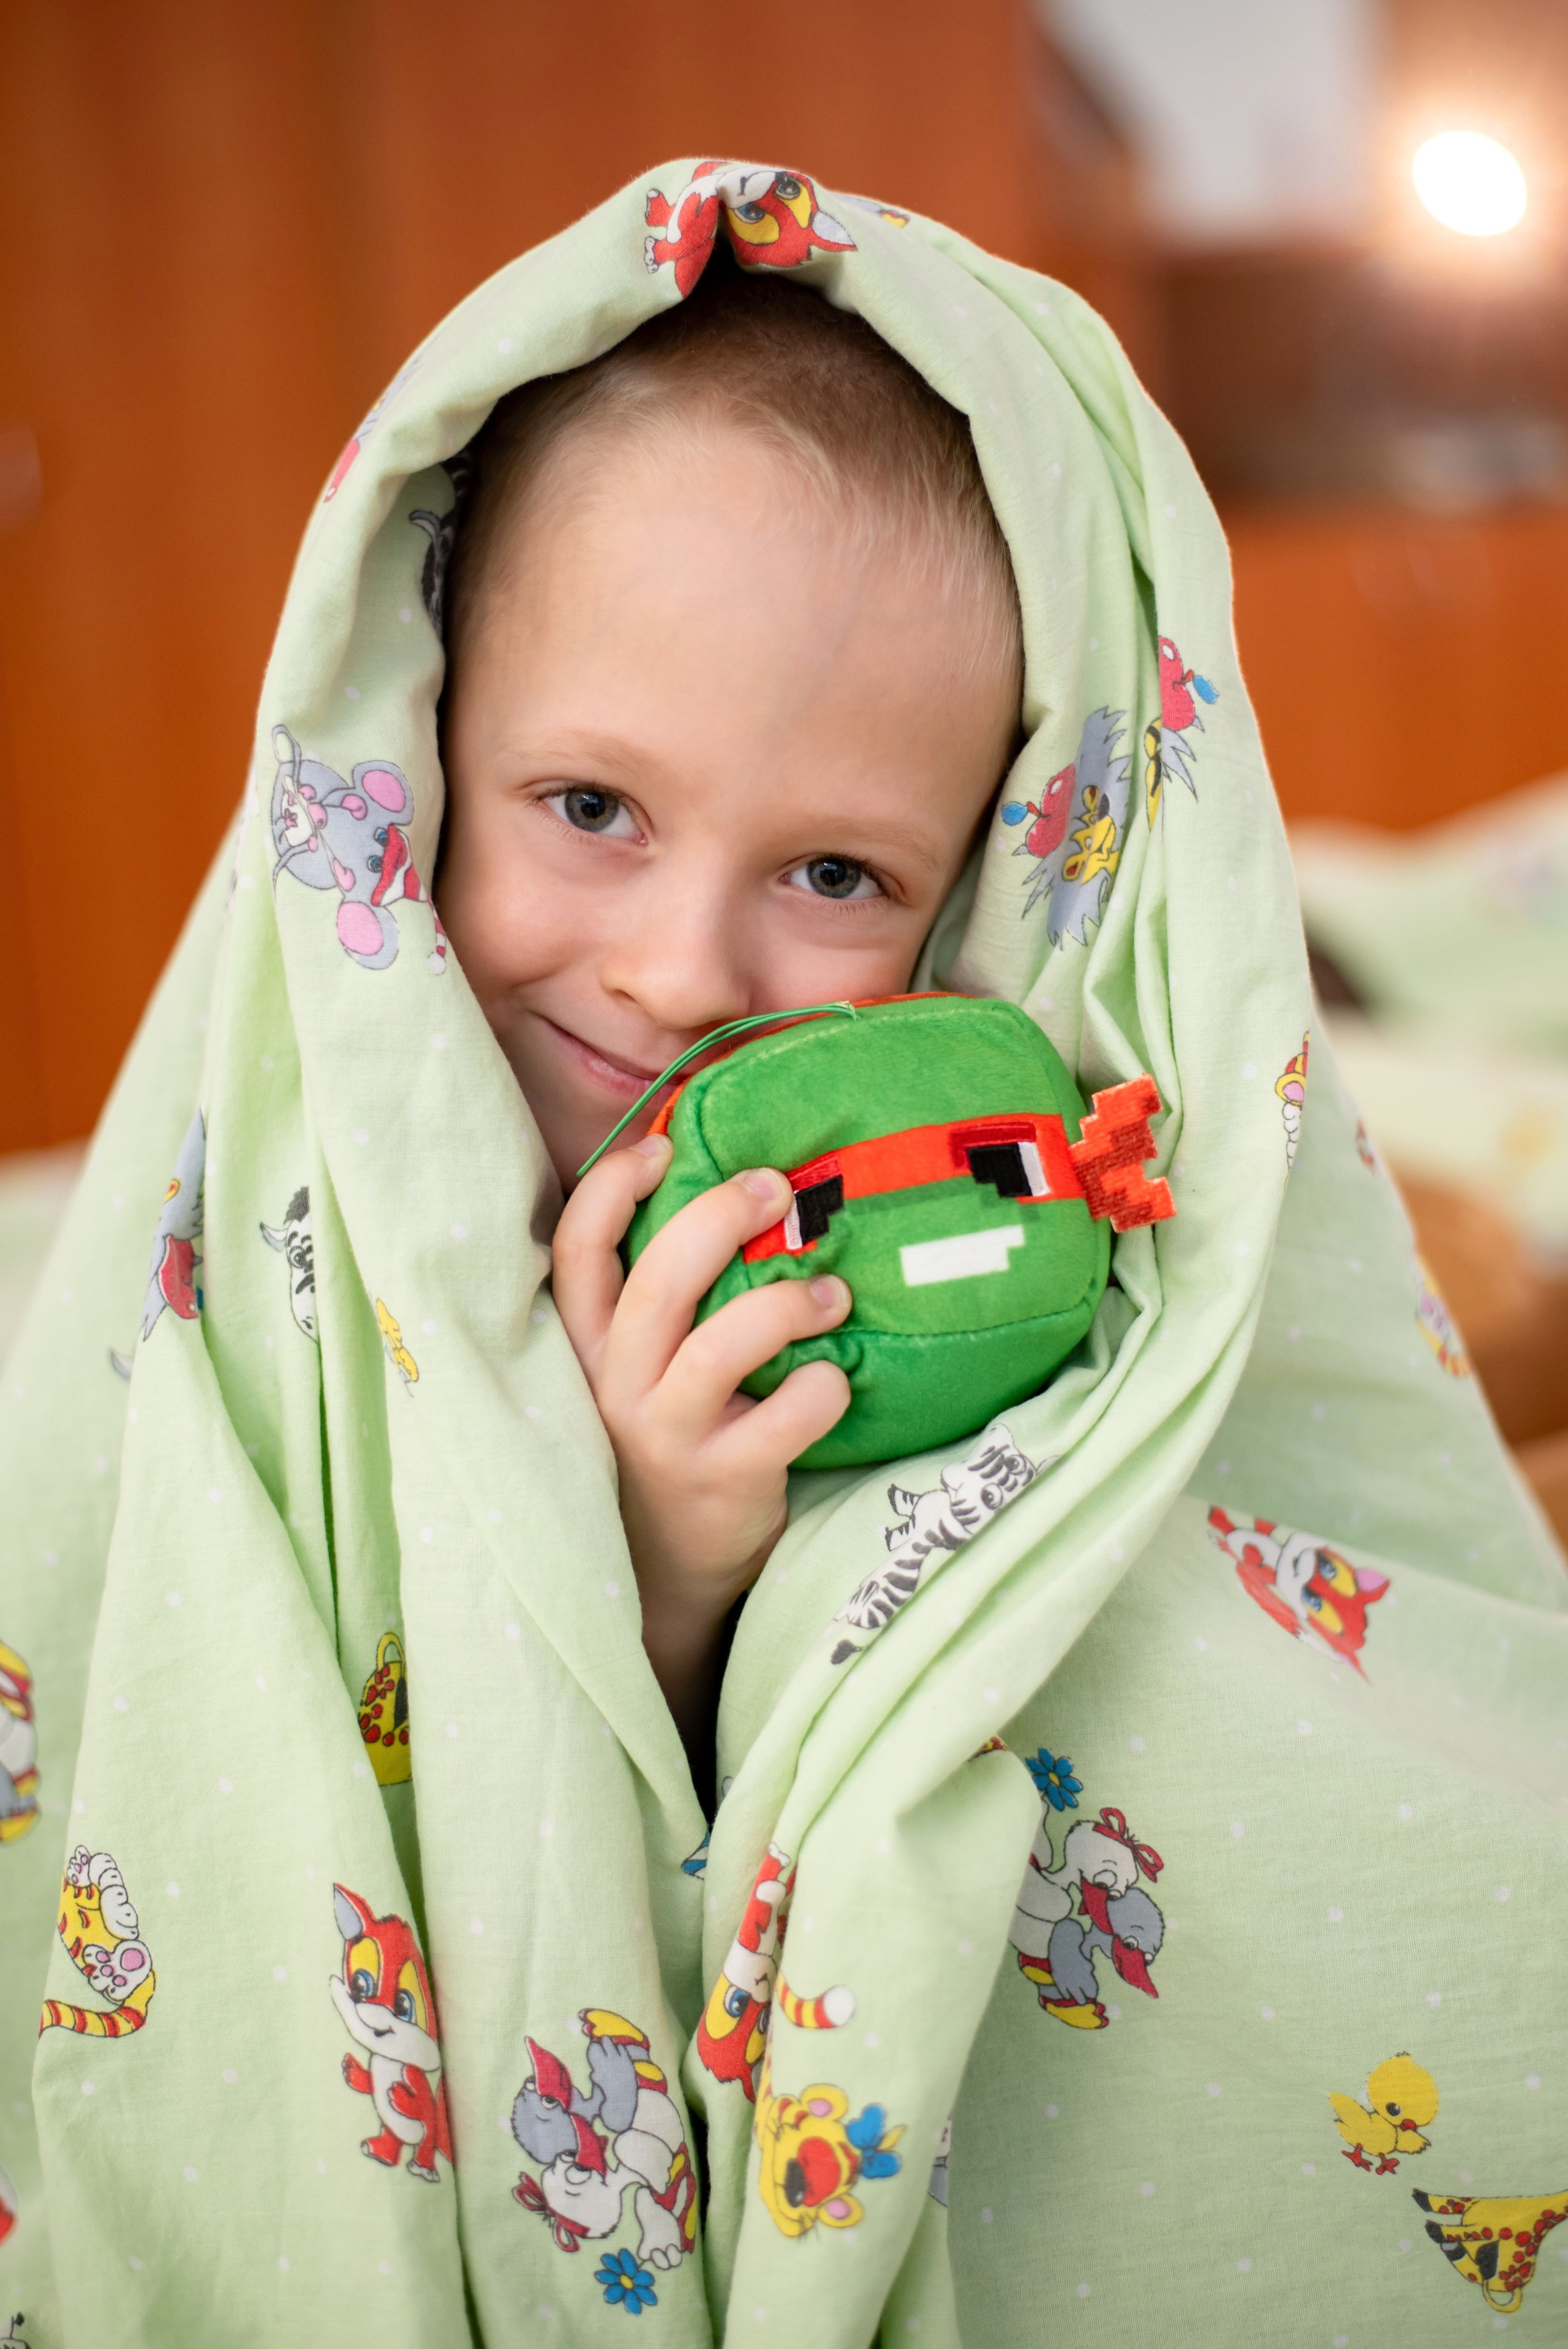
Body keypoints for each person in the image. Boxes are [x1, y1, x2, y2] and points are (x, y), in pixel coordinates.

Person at [1, 159, 1562, 2349]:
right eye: (590, 808)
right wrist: (623, 1559)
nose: (674, 972)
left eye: (835, 873)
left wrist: (697, 1569)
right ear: (421, 743)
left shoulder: (961, 1209)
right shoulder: (317, 1147)